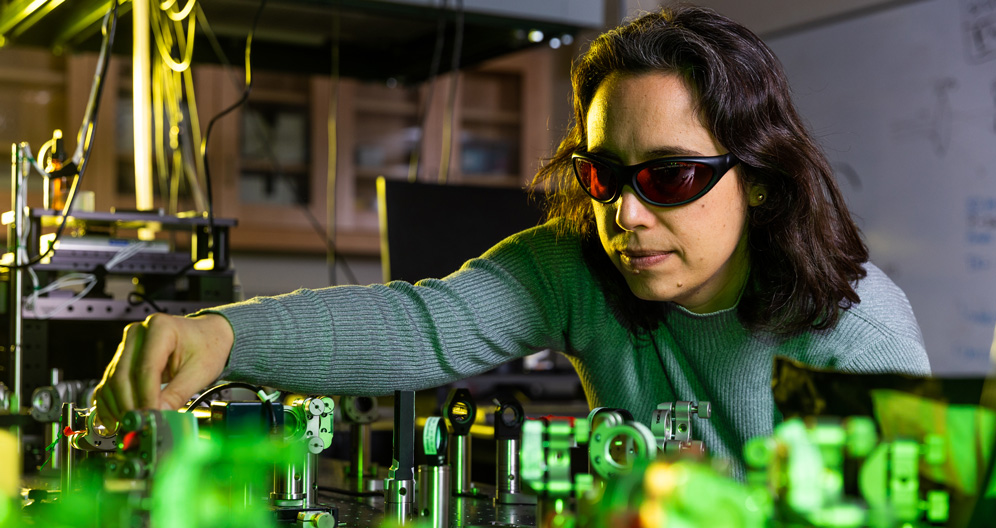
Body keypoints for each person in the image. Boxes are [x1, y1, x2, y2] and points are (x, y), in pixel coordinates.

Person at [95, 5, 931, 474]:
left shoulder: (855, 337)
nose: (628, 218)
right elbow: (422, 324)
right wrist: (222, 334)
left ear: (755, 174)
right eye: (606, 176)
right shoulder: (579, 271)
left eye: (670, 177)